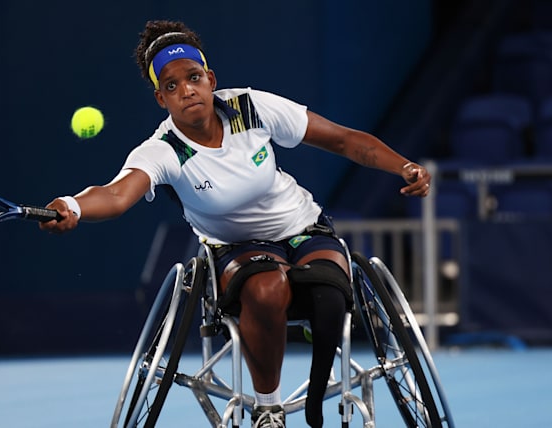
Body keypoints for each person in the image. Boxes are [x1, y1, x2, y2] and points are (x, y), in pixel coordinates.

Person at [39, 19, 431, 428]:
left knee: (331, 291)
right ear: (161, 99)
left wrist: (403, 166)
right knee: (267, 289)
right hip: (237, 248)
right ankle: (268, 408)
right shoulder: (165, 149)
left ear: (210, 79)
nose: (187, 90)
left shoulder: (250, 107)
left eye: (193, 78)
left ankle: (315, 401)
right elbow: (117, 195)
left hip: (303, 227)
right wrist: (73, 205)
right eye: (172, 86)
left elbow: (343, 139)